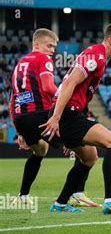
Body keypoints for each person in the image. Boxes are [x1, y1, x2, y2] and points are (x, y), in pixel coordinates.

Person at [40, 22, 111, 214]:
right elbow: (69, 85)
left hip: (73, 114)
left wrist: (73, 134)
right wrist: (57, 118)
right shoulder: (95, 55)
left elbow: (78, 92)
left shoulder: (99, 57)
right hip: (67, 113)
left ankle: (60, 204)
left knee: (89, 158)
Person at [9, 28, 99, 208]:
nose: (52, 50)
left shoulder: (20, 64)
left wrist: (20, 131)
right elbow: (48, 86)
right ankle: (77, 194)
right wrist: (65, 95)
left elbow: (13, 99)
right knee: (88, 150)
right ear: (36, 44)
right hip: (42, 115)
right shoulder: (43, 59)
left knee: (40, 150)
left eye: (54, 47)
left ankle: (23, 196)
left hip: (22, 117)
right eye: (49, 45)